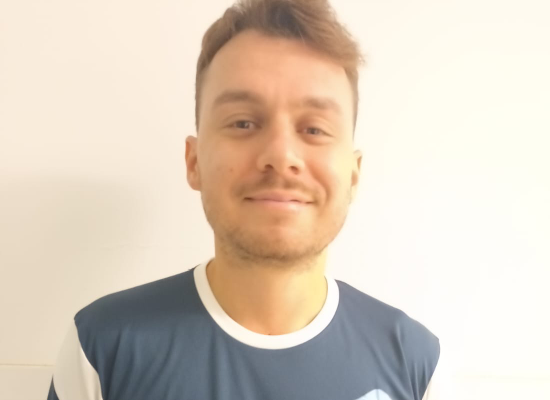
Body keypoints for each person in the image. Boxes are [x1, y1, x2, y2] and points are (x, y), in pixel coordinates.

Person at [47, 0, 446, 399]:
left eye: (314, 129)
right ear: (194, 161)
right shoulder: (102, 348)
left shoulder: (416, 365)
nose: (281, 156)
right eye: (243, 123)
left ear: (353, 174)